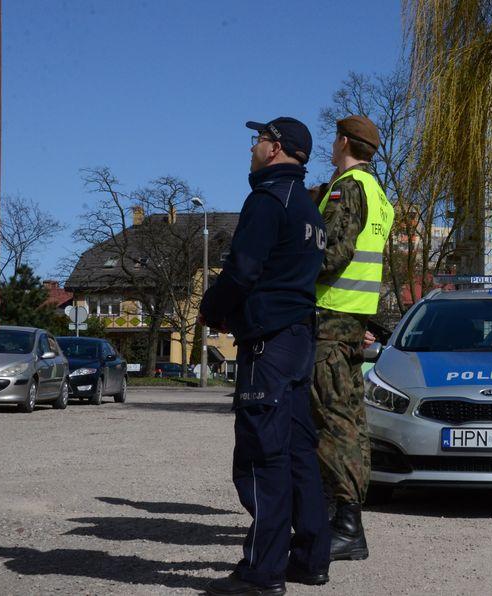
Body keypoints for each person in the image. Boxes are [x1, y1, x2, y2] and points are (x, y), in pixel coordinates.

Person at [200, 116, 330, 596]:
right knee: (298, 452)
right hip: (298, 340)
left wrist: (211, 310)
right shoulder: (310, 212)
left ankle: (263, 572)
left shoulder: (268, 200)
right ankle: (310, 558)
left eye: (258, 140)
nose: (253, 147)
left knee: (262, 455)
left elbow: (242, 272)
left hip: (269, 344)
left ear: (275, 149)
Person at [309, 115, 394, 562]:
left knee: (332, 421)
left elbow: (332, 255)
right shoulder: (380, 196)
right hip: (352, 323)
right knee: (351, 420)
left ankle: (345, 525)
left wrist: (285, 269)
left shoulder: (349, 188)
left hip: (328, 320)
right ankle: (342, 518)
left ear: (343, 141)